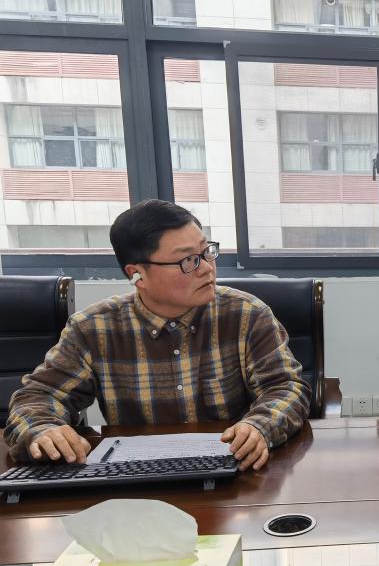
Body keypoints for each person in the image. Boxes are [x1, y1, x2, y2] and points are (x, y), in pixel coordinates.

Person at [3, 199, 310, 469]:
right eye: (187, 260)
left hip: (233, 472)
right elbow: (38, 397)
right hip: (138, 480)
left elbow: (285, 388)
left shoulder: (246, 314)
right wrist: (43, 430)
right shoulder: (93, 329)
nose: (207, 268)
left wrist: (258, 427)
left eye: (207, 252)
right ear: (136, 274)